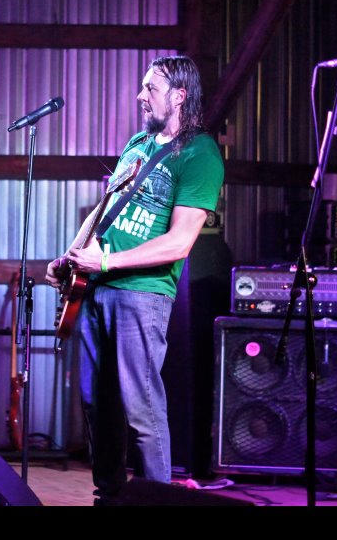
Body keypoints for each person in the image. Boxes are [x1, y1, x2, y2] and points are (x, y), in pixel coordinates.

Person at [46, 55, 224, 505]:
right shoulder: (138, 144)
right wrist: (71, 255)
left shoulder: (200, 154)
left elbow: (179, 243)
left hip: (142, 295)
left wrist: (106, 262)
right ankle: (109, 497)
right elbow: (105, 210)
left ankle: (156, 501)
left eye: (151, 88)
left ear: (179, 96)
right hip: (95, 288)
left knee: (141, 409)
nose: (140, 96)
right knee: (98, 406)